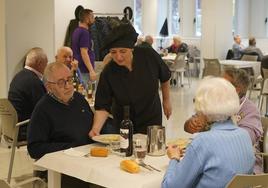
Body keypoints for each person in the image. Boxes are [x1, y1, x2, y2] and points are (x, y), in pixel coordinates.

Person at [162, 77, 255, 188]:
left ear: (204, 110)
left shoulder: (203, 141)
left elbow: (170, 186)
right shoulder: (244, 135)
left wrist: (174, 157)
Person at [89, 23, 172, 137]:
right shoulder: (109, 72)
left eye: (123, 51)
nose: (118, 57)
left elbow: (165, 76)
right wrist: (95, 129)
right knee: (126, 150)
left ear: (131, 49)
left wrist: (166, 100)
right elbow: (102, 105)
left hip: (151, 115)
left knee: (151, 150)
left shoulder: (148, 55)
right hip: (124, 121)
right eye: (113, 52)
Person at [185, 68, 263, 174]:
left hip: (245, 168)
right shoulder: (216, 103)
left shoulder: (250, 110)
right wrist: (191, 124)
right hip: (215, 159)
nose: (217, 87)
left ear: (236, 90)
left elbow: (244, 140)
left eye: (222, 84)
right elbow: (190, 124)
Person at [27, 62, 94, 160]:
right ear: (49, 87)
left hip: (89, 154)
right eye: (61, 82)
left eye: (70, 80)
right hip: (63, 162)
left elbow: (92, 125)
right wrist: (71, 148)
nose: (68, 86)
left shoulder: (79, 99)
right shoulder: (43, 109)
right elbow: (35, 148)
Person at [8, 47, 47, 141]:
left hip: (12, 127)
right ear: (39, 63)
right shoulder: (34, 81)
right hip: (24, 129)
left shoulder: (18, 76)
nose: (46, 66)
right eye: (46, 63)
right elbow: (44, 109)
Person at [72, 8, 97, 87]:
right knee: (87, 95)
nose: (94, 19)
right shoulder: (84, 32)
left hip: (80, 68)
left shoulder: (77, 30)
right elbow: (84, 52)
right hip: (84, 70)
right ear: (87, 19)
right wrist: (91, 70)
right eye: (92, 17)